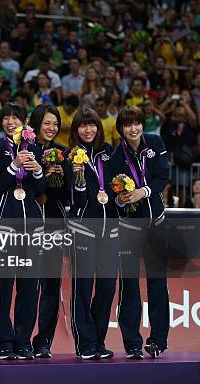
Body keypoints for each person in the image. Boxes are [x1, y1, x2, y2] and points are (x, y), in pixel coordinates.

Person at [0, 102, 45, 360]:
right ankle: (3, 340)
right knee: (5, 283)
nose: (11, 122)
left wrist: (38, 169)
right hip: (5, 223)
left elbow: (41, 190)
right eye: (6, 118)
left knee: (30, 285)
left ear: (25, 121)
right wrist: (13, 166)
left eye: (16, 117)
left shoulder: (33, 148)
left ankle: (23, 340)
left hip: (31, 223)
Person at [111, 105, 170, 359]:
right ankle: (132, 342)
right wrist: (123, 200)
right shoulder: (116, 156)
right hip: (129, 227)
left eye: (136, 123)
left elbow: (162, 177)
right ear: (121, 129)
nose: (133, 128)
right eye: (127, 125)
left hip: (155, 222)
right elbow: (114, 196)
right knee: (129, 285)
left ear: (142, 124)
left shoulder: (155, 142)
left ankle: (158, 341)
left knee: (158, 283)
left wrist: (142, 191)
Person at [65, 108, 119, 360]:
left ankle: (97, 339)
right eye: (82, 126)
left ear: (98, 127)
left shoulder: (109, 153)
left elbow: (118, 184)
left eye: (92, 125)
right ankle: (84, 343)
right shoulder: (70, 156)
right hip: (82, 229)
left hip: (110, 230)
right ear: (75, 130)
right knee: (83, 288)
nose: (88, 130)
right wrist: (78, 178)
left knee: (108, 287)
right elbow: (73, 196)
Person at [28, 104, 68, 358]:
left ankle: (43, 340)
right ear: (35, 124)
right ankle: (20, 338)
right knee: (28, 285)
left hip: (54, 226)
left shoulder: (64, 154)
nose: (51, 128)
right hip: (28, 227)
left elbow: (68, 196)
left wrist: (64, 178)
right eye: (47, 123)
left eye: (55, 124)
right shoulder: (24, 151)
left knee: (51, 286)